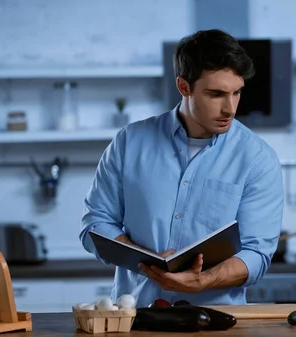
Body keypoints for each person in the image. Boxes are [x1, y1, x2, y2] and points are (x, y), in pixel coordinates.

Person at [79, 29, 284, 308]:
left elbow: (257, 254)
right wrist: (146, 262)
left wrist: (204, 280)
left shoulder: (258, 159)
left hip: (217, 323)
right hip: (136, 318)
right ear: (184, 87)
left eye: (237, 92)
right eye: (216, 94)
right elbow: (96, 222)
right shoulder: (129, 142)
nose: (230, 108)